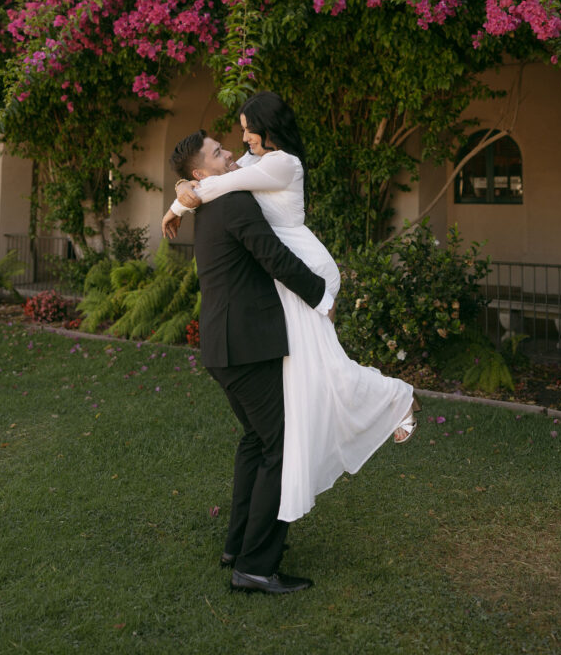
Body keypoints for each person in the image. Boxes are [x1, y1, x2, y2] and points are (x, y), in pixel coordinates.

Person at [162, 92, 418, 529]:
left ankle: (396, 397)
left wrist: (179, 202)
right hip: (284, 275)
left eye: (247, 128)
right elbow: (213, 179)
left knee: (325, 364)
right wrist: (185, 189)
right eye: (237, 132)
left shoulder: (284, 163)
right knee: (314, 368)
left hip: (305, 269)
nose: (240, 138)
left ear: (268, 127)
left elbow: (218, 183)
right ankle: (369, 407)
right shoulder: (252, 162)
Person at [164, 130, 335, 595]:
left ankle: (237, 545)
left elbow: (207, 187)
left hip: (228, 346)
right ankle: (256, 566)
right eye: (219, 153)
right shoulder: (232, 204)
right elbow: (273, 256)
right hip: (245, 348)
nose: (231, 155)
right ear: (201, 172)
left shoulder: (214, 198)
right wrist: (321, 296)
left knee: (257, 442)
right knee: (282, 446)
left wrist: (182, 199)